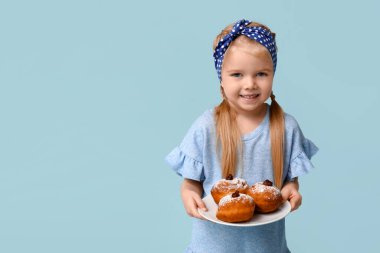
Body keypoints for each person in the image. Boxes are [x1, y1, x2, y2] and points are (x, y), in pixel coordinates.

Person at [165, 18, 318, 253]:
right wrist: (189, 196)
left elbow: (290, 182)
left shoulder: (286, 127)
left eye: (261, 74)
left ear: (273, 75)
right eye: (237, 74)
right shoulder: (206, 127)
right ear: (221, 79)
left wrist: (292, 191)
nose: (250, 84)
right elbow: (190, 184)